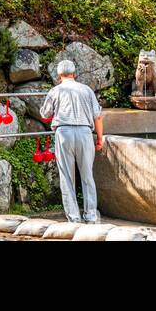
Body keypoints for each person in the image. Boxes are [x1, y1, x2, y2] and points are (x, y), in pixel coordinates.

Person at [40, 59, 105, 223]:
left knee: (67, 178)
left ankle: (74, 218)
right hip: (84, 133)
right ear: (74, 74)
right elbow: (97, 116)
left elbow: (45, 115)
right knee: (87, 176)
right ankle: (90, 216)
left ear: (59, 75)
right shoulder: (87, 90)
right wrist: (99, 138)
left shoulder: (55, 91)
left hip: (64, 134)